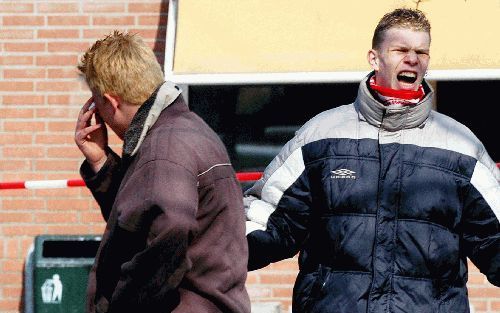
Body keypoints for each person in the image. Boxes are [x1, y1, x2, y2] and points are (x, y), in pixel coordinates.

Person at [244, 8, 499, 313]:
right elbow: (267, 220)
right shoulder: (320, 136)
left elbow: (494, 238)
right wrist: (200, 254)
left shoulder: (462, 147)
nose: (413, 59)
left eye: (421, 51)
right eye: (401, 50)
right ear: (374, 58)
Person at [74, 31, 250, 313]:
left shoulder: (165, 148)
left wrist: (124, 305)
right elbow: (139, 226)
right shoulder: (183, 130)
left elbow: (170, 229)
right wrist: (100, 162)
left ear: (111, 101)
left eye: (97, 103)